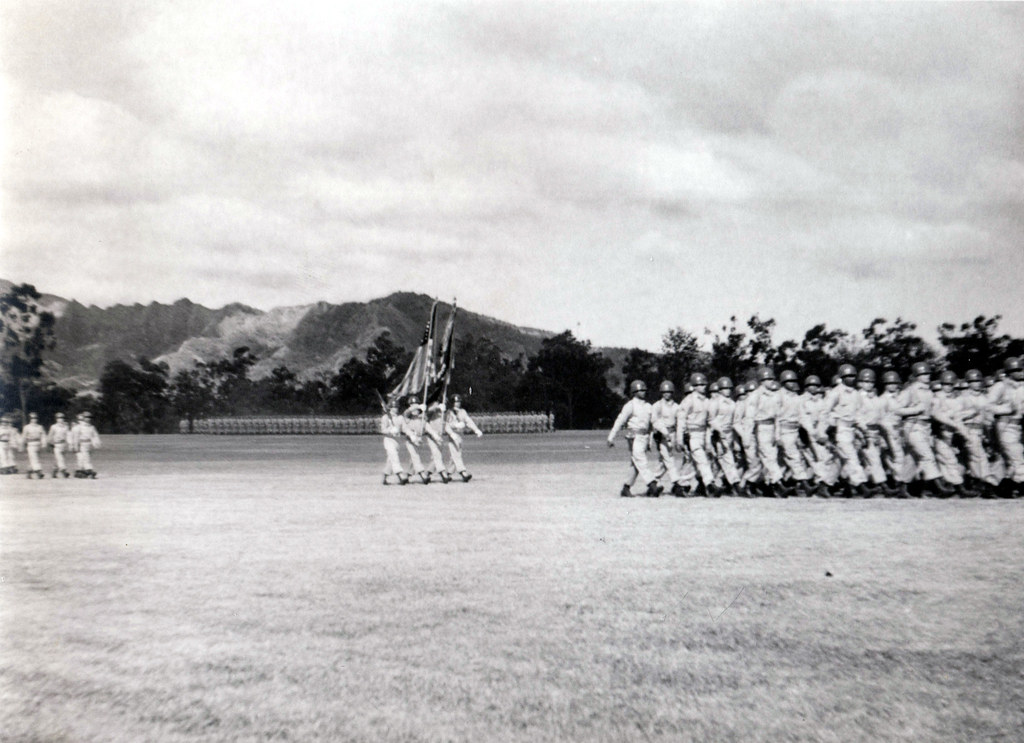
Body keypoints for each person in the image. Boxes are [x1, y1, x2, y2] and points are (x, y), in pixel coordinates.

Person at [607, 380, 661, 497]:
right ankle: (652, 484)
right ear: (634, 392)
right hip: (634, 437)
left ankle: (626, 488)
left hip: (644, 437)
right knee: (641, 461)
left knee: (636, 464)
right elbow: (620, 421)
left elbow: (653, 424)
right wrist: (611, 437)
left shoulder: (648, 406)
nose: (643, 392)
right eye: (640, 390)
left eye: (644, 390)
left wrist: (651, 440)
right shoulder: (630, 406)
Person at [675, 372, 718, 496]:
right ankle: (710, 485)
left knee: (695, 464)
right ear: (694, 386)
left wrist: (718, 429)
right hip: (692, 435)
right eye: (700, 384)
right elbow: (681, 420)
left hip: (703, 434)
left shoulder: (707, 401)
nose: (703, 386)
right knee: (701, 460)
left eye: (704, 384)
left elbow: (711, 419)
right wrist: (679, 439)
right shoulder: (688, 400)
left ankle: (681, 484)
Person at [650, 381, 684, 496]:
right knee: (669, 459)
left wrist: (679, 438)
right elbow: (655, 421)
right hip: (662, 435)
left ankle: (653, 481)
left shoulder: (676, 407)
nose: (667, 394)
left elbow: (680, 422)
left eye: (669, 392)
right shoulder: (657, 406)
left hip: (672, 434)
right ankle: (677, 483)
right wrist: (664, 432)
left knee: (663, 461)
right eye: (664, 392)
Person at [444, 394, 483, 482]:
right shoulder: (449, 412)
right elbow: (446, 425)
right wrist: (452, 432)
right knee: (456, 454)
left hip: (460, 435)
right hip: (453, 435)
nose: (457, 404)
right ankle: (463, 473)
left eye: (458, 402)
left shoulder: (462, 412)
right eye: (455, 402)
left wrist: (476, 430)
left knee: (455, 455)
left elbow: (468, 421)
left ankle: (447, 474)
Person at [401, 395, 434, 484]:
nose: (414, 409)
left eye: (416, 405)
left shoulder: (421, 417)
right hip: (410, 440)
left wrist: (434, 435)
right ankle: (422, 474)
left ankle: (406, 476)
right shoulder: (407, 417)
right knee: (415, 456)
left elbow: (427, 426)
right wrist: (418, 406)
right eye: (412, 405)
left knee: (413, 459)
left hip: (419, 440)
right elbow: (407, 412)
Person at [379, 398, 409, 485]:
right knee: (394, 457)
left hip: (397, 441)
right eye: (394, 407)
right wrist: (390, 430)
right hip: (388, 440)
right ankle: (400, 476)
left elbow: (405, 428)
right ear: (390, 408)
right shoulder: (385, 418)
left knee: (390, 459)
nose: (396, 409)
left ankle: (384, 477)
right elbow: (383, 430)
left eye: (397, 407)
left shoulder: (400, 418)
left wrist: (411, 434)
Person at [424, 401, 453, 483]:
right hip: (431, 434)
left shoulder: (446, 412)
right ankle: (443, 474)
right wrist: (437, 407)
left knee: (437, 456)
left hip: (440, 435)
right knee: (437, 455)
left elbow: (447, 423)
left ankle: (426, 474)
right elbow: (426, 415)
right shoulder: (434, 407)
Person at [69, 411, 101, 478]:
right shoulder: (79, 427)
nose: (88, 419)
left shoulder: (91, 427)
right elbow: (76, 437)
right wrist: (75, 446)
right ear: (83, 418)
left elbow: (94, 436)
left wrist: (96, 443)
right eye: (86, 417)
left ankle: (80, 471)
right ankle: (89, 470)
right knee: (86, 458)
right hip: (82, 444)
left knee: (82, 459)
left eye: (89, 417)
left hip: (89, 444)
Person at [21, 412, 46, 479]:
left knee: (34, 459)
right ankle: (38, 471)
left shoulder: (40, 427)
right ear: (30, 419)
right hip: (31, 444)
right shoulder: (27, 427)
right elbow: (24, 437)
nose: (34, 419)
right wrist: (22, 445)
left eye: (35, 418)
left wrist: (43, 443)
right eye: (32, 418)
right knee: (34, 458)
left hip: (38, 444)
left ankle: (29, 471)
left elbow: (43, 435)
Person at [47, 412, 72, 478]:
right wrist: (49, 443)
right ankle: (63, 470)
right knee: (60, 459)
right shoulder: (53, 427)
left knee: (59, 459)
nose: (61, 419)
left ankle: (54, 471)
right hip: (56, 444)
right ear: (56, 419)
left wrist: (70, 444)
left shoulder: (65, 427)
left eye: (62, 418)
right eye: (59, 418)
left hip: (63, 444)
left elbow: (68, 435)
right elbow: (50, 436)